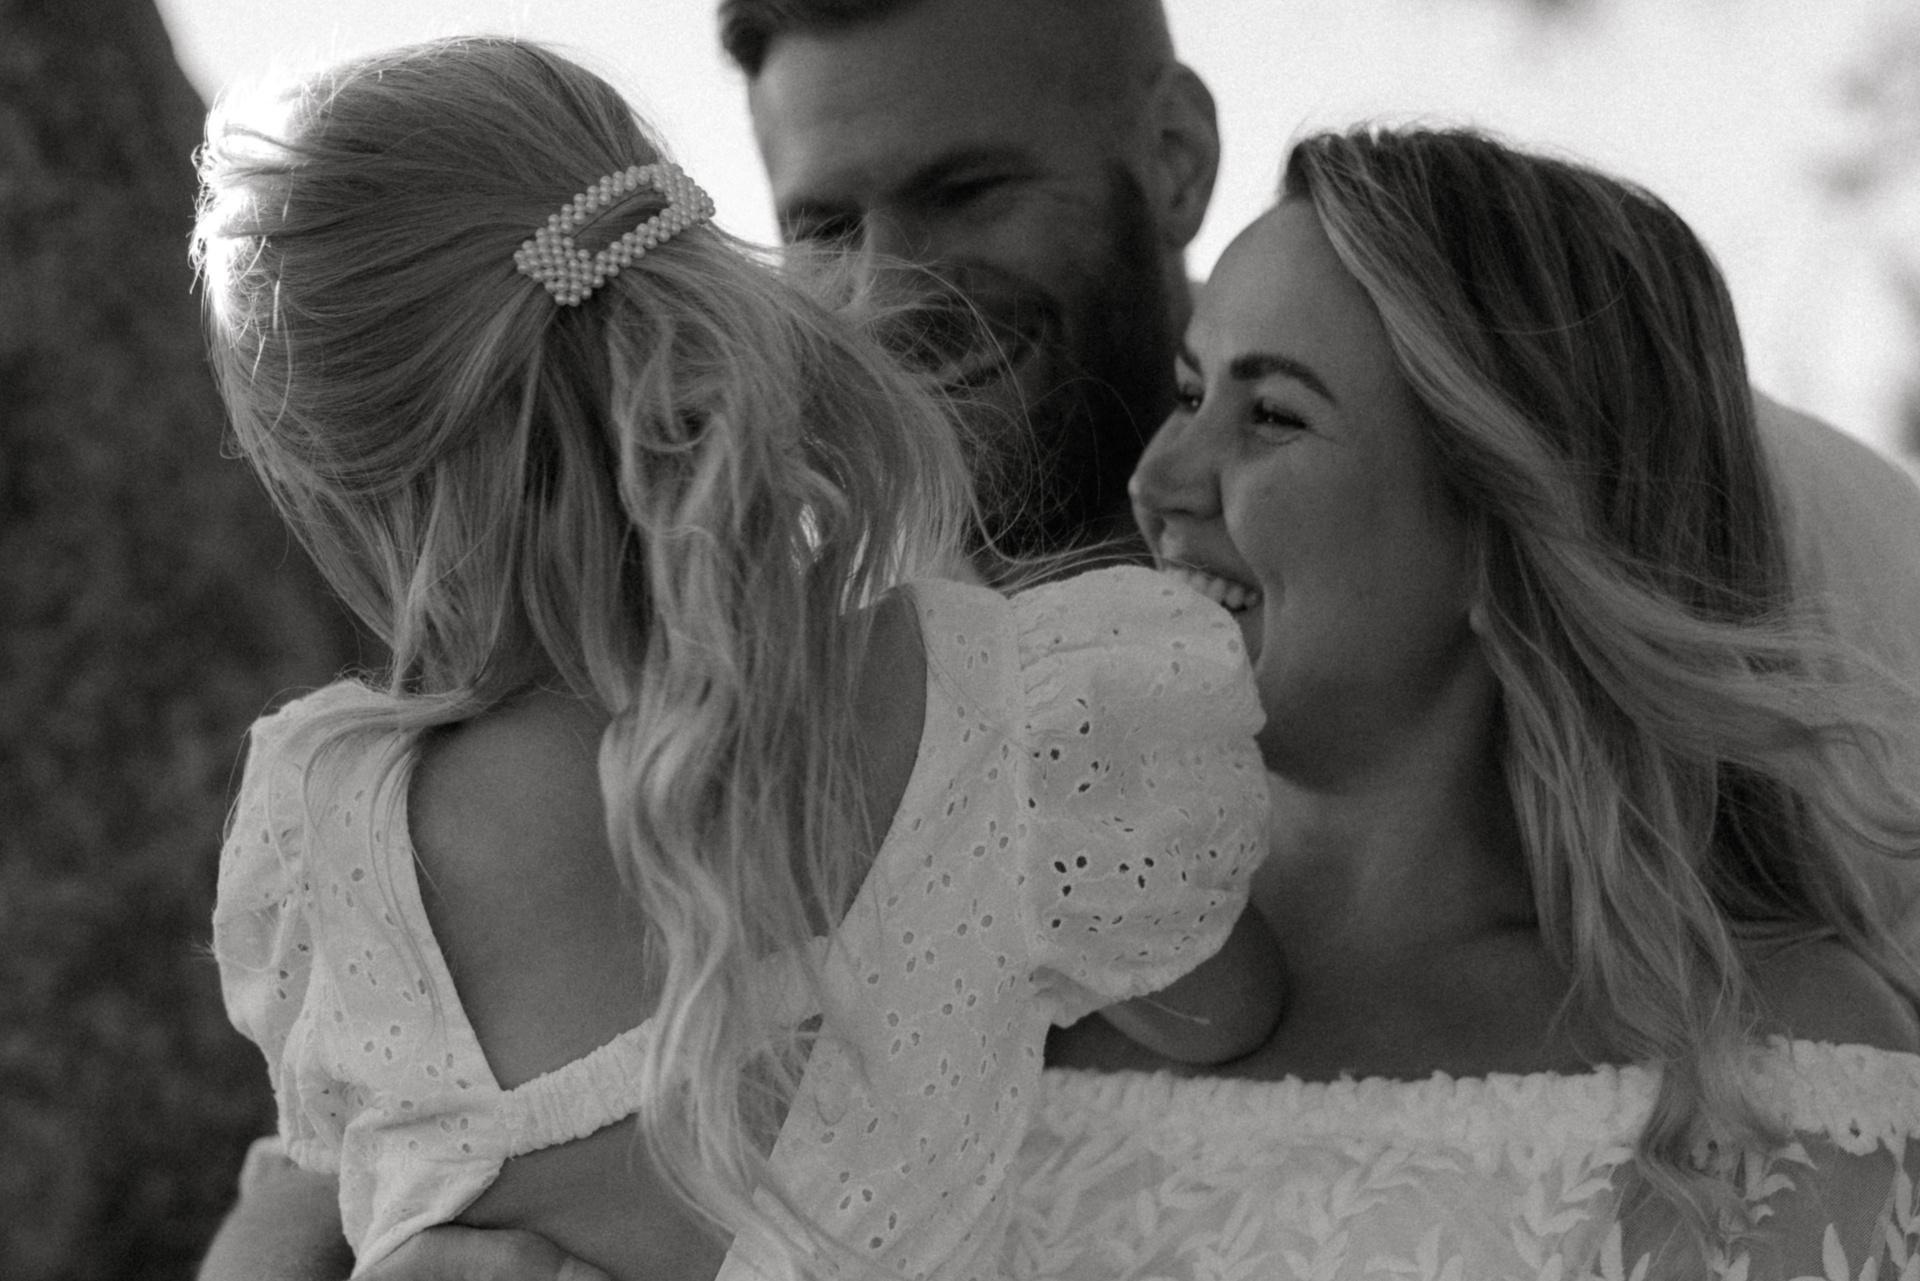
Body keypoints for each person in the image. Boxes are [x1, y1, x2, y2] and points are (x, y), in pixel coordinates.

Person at [196, 0, 1920, 1275]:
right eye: (827, 223)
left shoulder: (1762, 528)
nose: (897, 289)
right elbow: (380, 1130)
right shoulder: (876, 728)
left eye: (967, 190)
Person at [195, 35, 1280, 1281]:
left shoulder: (330, 831)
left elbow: (323, 1171)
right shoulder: (1033, 715)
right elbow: (1231, 1016)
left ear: (342, 483)